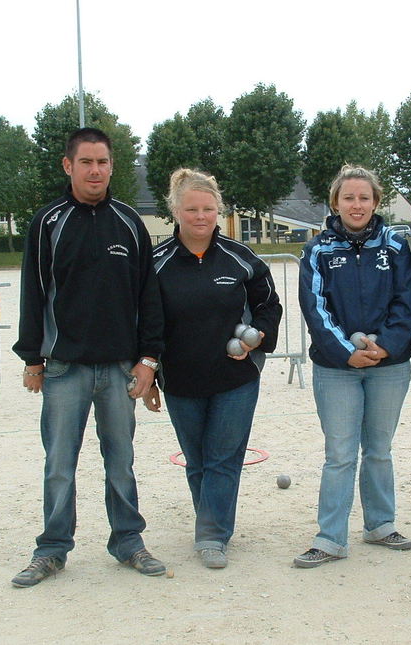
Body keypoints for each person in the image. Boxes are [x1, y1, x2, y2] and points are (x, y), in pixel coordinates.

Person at [11, 127, 166, 587]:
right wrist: (32, 358)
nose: (95, 170)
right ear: (68, 166)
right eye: (86, 162)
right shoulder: (48, 223)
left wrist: (149, 360)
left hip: (120, 367)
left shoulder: (129, 222)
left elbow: (148, 297)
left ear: (111, 166)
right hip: (63, 368)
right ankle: (52, 549)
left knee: (121, 460)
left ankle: (128, 542)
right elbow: (33, 293)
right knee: (60, 463)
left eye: (102, 162)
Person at [145, 168, 282, 569]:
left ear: (218, 209)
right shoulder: (155, 264)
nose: (201, 216)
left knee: (223, 458)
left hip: (235, 379)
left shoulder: (242, 259)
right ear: (175, 210)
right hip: (181, 381)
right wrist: (149, 371)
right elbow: (146, 324)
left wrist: (258, 335)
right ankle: (211, 519)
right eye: (192, 209)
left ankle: (212, 534)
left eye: (208, 208)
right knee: (197, 459)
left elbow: (268, 305)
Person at [294, 165, 411, 568]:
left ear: (377, 202)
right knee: (340, 454)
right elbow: (315, 309)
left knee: (379, 450)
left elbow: (407, 302)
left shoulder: (397, 247)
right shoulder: (317, 250)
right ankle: (330, 537)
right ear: (335, 203)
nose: (357, 204)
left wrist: (386, 345)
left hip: (388, 365)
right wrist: (346, 349)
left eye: (364, 197)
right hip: (336, 368)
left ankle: (381, 525)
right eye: (349, 197)